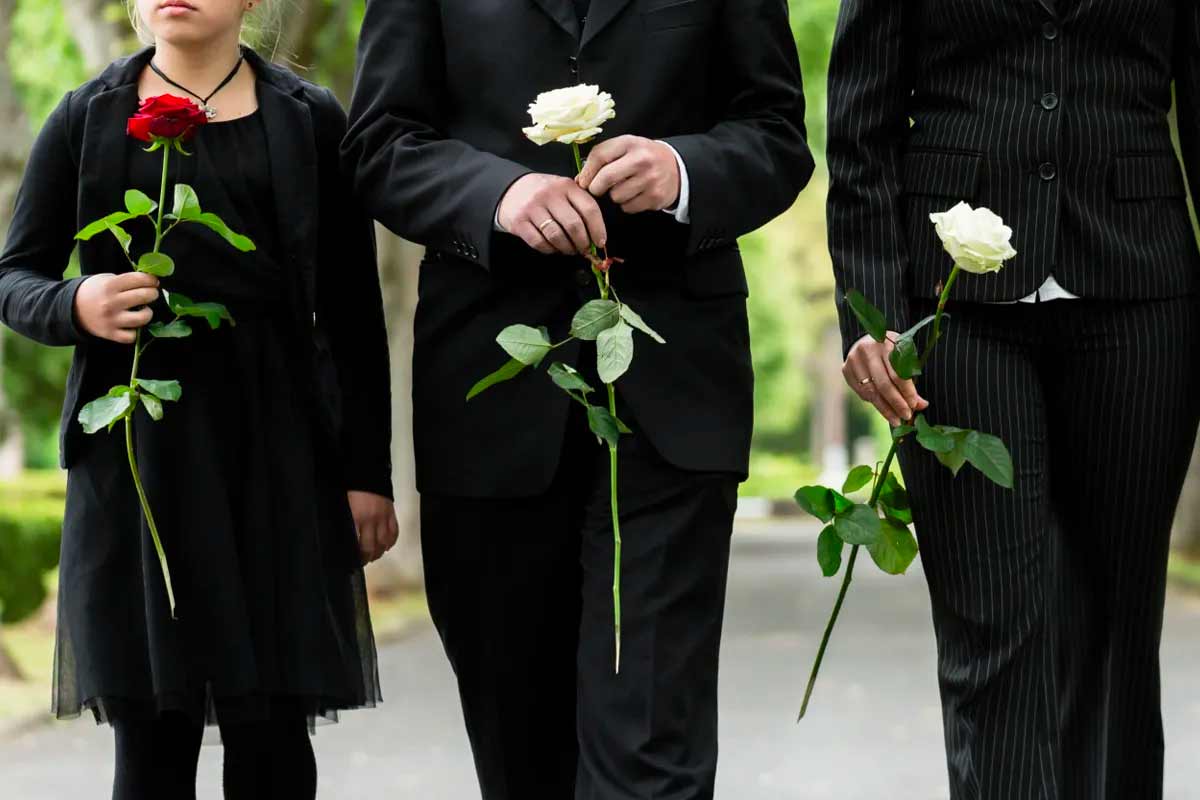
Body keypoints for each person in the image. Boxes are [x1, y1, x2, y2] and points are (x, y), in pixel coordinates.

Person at [342, 0, 813, 797]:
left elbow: (776, 133)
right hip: (486, 397)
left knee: (652, 753)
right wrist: (498, 196)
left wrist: (682, 171)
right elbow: (381, 144)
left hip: (676, 399)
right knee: (521, 751)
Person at [0, 0, 398, 797]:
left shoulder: (310, 119)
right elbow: (15, 277)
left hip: (281, 457)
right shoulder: (86, 118)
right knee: (151, 740)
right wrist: (77, 306)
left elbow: (355, 314)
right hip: (138, 458)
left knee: (276, 740)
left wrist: (367, 473)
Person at [828, 1, 1200, 798]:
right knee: (992, 629)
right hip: (953, 310)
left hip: (1141, 293)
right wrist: (871, 311)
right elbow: (860, 126)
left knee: (1116, 629)